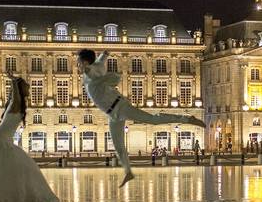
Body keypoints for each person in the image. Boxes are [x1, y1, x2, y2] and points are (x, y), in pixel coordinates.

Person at [77, 49, 205, 186]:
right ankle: (128, 172)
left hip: (120, 107)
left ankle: (187, 119)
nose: (77, 65)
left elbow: (94, 71)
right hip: (112, 114)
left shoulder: (90, 71)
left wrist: (88, 70)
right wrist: (105, 54)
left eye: (78, 62)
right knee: (118, 145)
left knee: (153, 119)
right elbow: (100, 62)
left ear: (84, 62)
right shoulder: (96, 67)